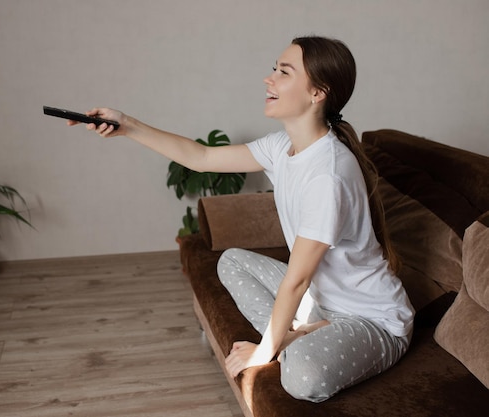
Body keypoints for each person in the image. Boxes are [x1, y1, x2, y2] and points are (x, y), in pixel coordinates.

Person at [67, 36, 415, 403]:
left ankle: (296, 336)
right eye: (274, 69)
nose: (269, 79)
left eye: (284, 72)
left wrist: (265, 351)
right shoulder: (283, 147)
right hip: (321, 301)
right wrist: (127, 125)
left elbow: (296, 280)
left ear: (317, 93)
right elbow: (201, 157)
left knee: (302, 378)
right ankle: (299, 332)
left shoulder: (327, 174)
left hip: (373, 321)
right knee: (232, 260)